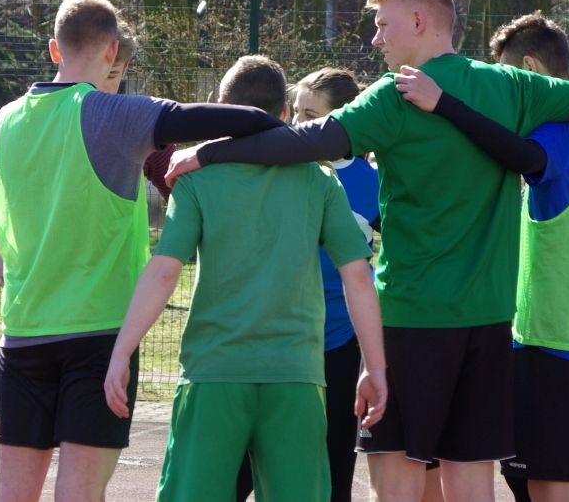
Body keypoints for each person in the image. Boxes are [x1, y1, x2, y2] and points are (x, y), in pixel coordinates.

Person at [164, 0, 569, 502]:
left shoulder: (395, 93)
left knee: (397, 476)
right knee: (471, 478)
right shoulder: (512, 85)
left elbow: (307, 141)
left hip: (412, 315)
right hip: (489, 317)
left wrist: (211, 151)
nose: (375, 39)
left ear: (419, 20)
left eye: (383, 25)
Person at [0, 0, 285, 502]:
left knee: (9, 494)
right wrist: (277, 128)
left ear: (54, 49)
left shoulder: (7, 120)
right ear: (113, 51)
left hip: (22, 333)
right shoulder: (116, 114)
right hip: (100, 337)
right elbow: (220, 120)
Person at [104, 55, 388, 502]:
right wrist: (374, 366)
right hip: (296, 375)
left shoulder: (195, 179)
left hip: (214, 373)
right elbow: (358, 277)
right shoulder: (321, 181)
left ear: (220, 109)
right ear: (284, 114)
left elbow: (163, 271)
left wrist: (122, 351)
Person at [395, 12, 569, 502]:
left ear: (529, 68)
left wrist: (444, 105)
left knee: (547, 480)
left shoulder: (557, 132)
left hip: (552, 337)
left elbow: (513, 153)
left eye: (507, 77)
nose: (505, 91)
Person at [233, 67, 382, 502]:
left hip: (339, 342)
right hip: (276, 339)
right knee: (242, 467)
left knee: (332, 469)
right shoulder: (277, 165)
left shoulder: (373, 182)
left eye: (312, 115)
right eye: (296, 112)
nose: (300, 124)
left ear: (342, 121)